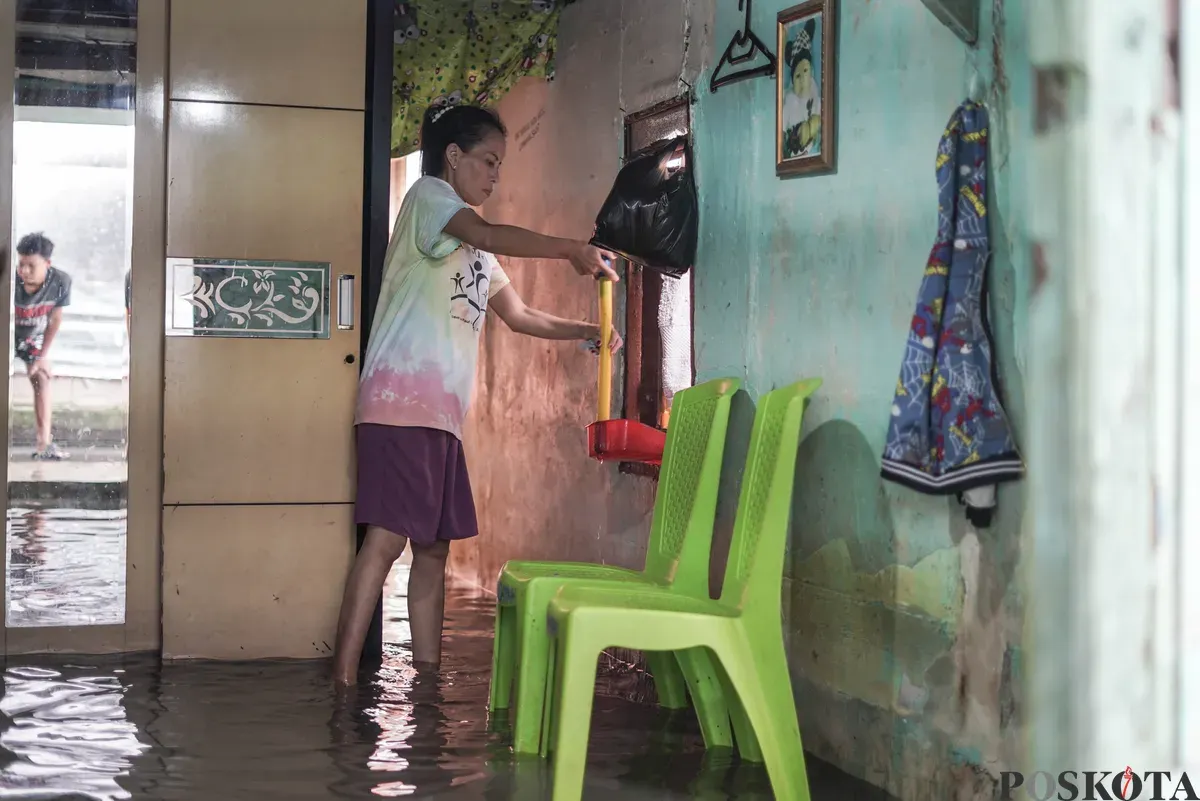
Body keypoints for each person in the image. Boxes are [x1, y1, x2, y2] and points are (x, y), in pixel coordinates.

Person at [331, 104, 621, 686]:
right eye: (488, 161)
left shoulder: (477, 249)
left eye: (500, 165)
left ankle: (427, 681)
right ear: (453, 157)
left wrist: (589, 333)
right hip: (398, 404)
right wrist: (570, 249)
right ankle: (340, 682)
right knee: (386, 541)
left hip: (440, 418)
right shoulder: (430, 199)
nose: (495, 175)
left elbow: (519, 316)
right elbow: (487, 231)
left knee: (434, 550)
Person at [14, 232, 71, 460]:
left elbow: (55, 320)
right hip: (7, 331)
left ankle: (43, 444)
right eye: (21, 264)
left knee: (42, 376)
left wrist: (40, 356)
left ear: (47, 264)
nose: (24, 271)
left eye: (31, 265)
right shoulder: (11, 279)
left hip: (31, 337)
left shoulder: (60, 281)